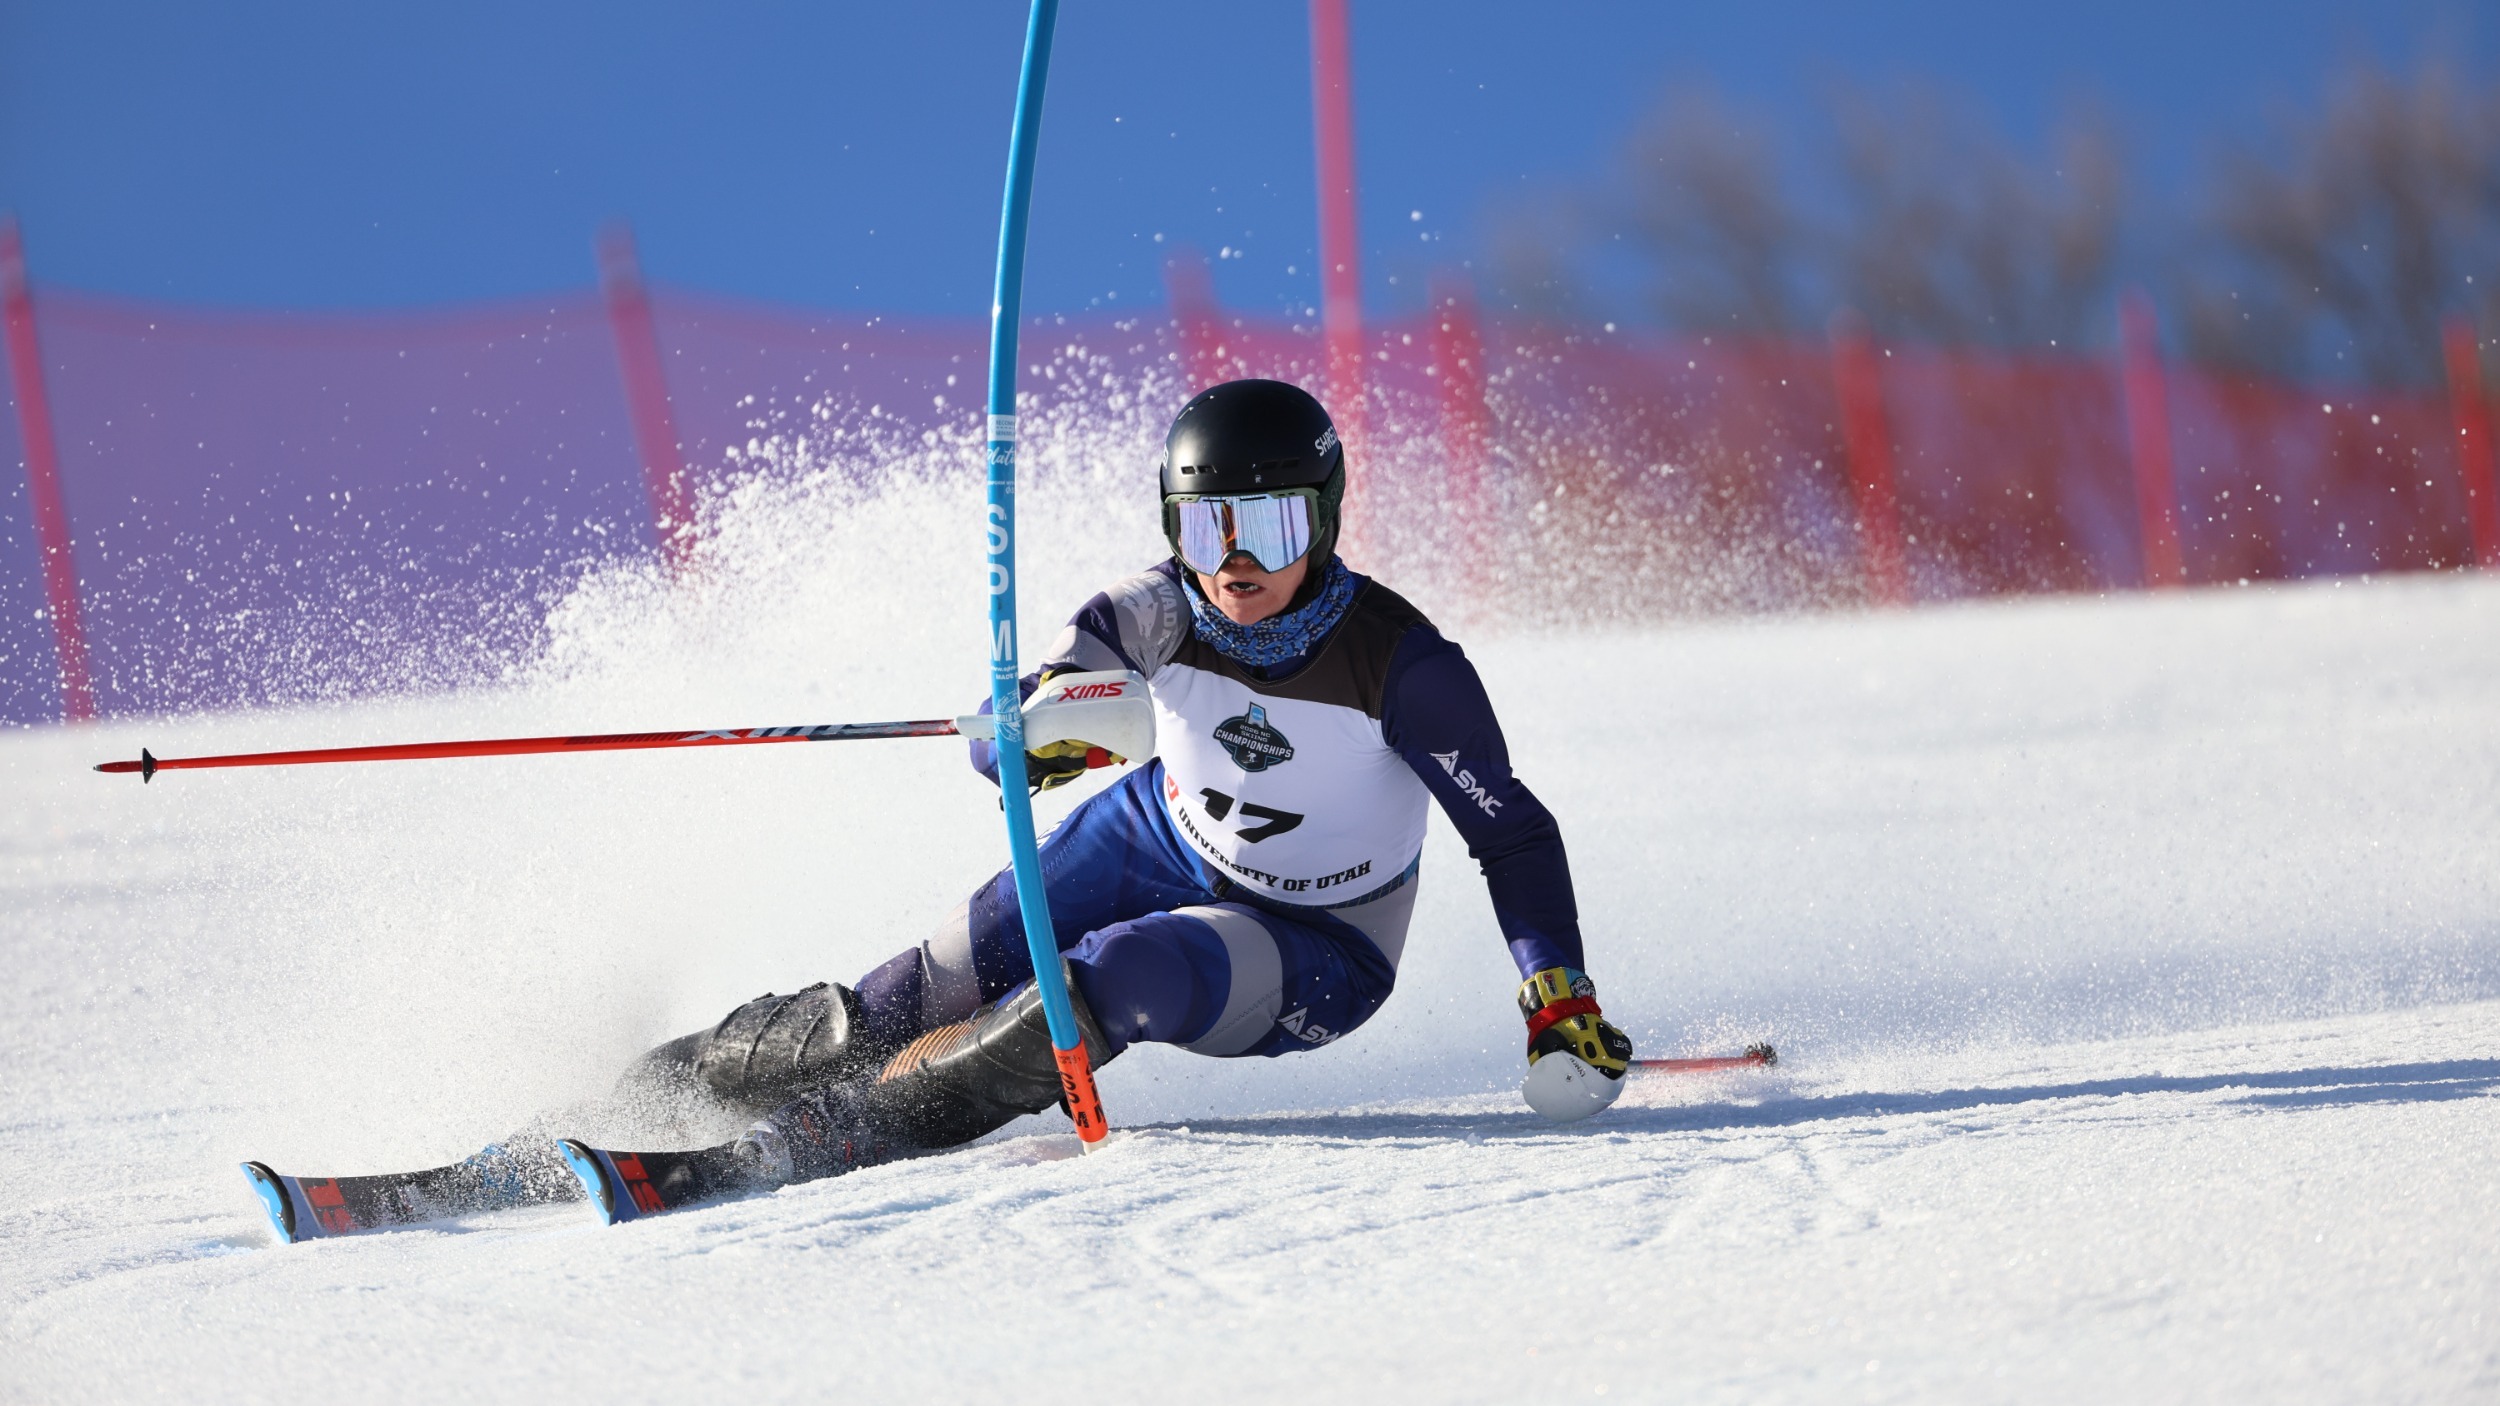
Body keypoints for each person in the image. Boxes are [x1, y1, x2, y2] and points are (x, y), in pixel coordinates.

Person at [619, 378, 1633, 1192]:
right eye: (1205, 530)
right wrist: (1032, 737)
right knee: (908, 993)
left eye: (1268, 531)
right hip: (1149, 834)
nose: (1232, 565)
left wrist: (1557, 991)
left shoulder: (1407, 668)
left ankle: (831, 1137)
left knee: (1118, 974)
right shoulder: (1150, 607)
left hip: (1320, 936)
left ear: (1320, 524)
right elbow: (1006, 729)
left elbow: (1513, 835)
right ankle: (653, 1088)